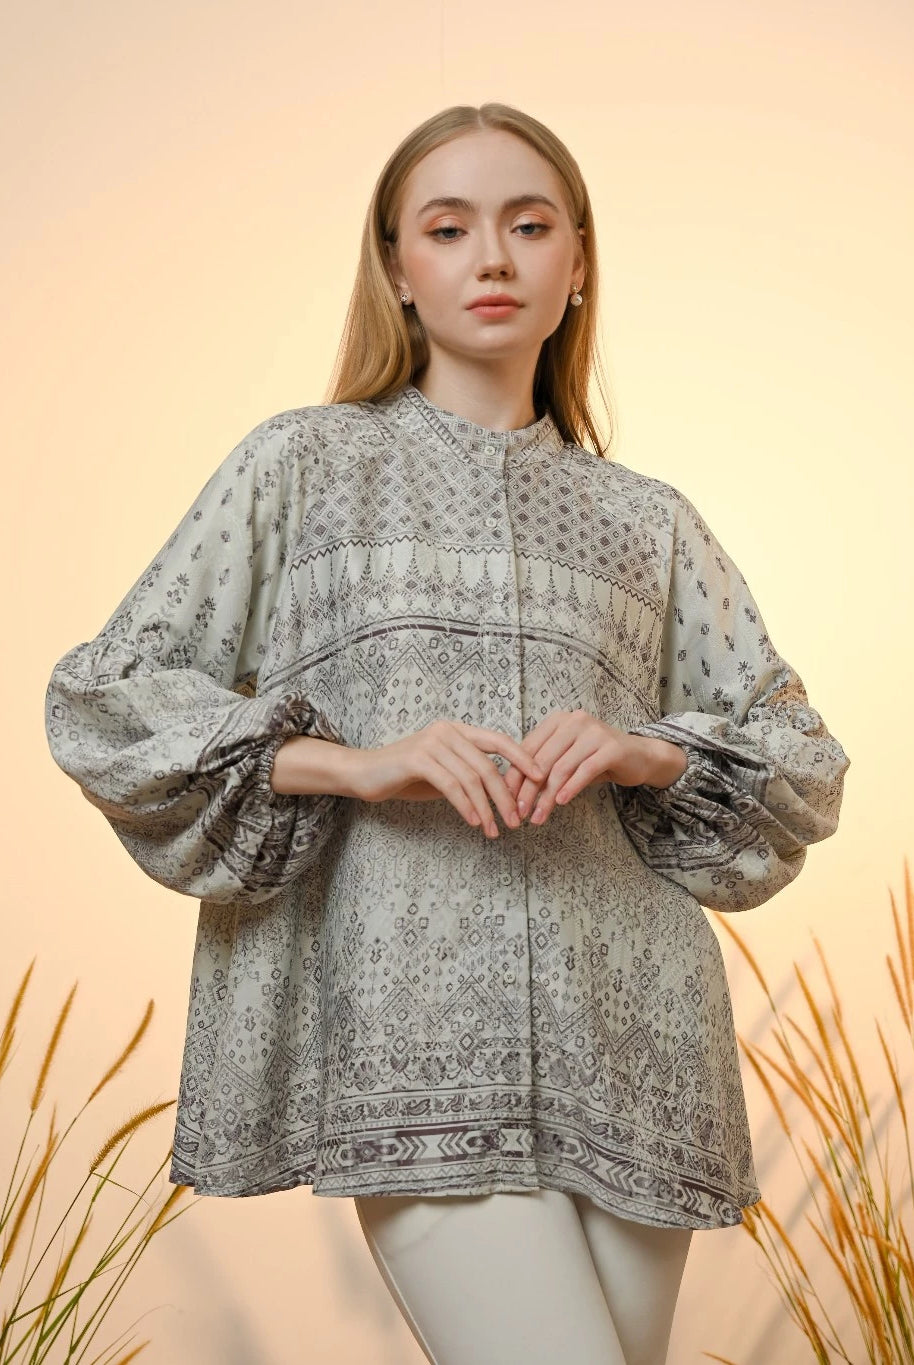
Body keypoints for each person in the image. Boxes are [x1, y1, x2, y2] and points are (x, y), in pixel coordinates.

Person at [43, 102, 851, 1365]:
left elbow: (799, 759)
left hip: (635, 1039)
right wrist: (359, 764)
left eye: (528, 226)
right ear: (395, 268)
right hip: (406, 1038)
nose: (492, 258)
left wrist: (646, 748)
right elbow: (107, 698)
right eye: (449, 227)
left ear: (576, 264)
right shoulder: (299, 468)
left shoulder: (651, 523)